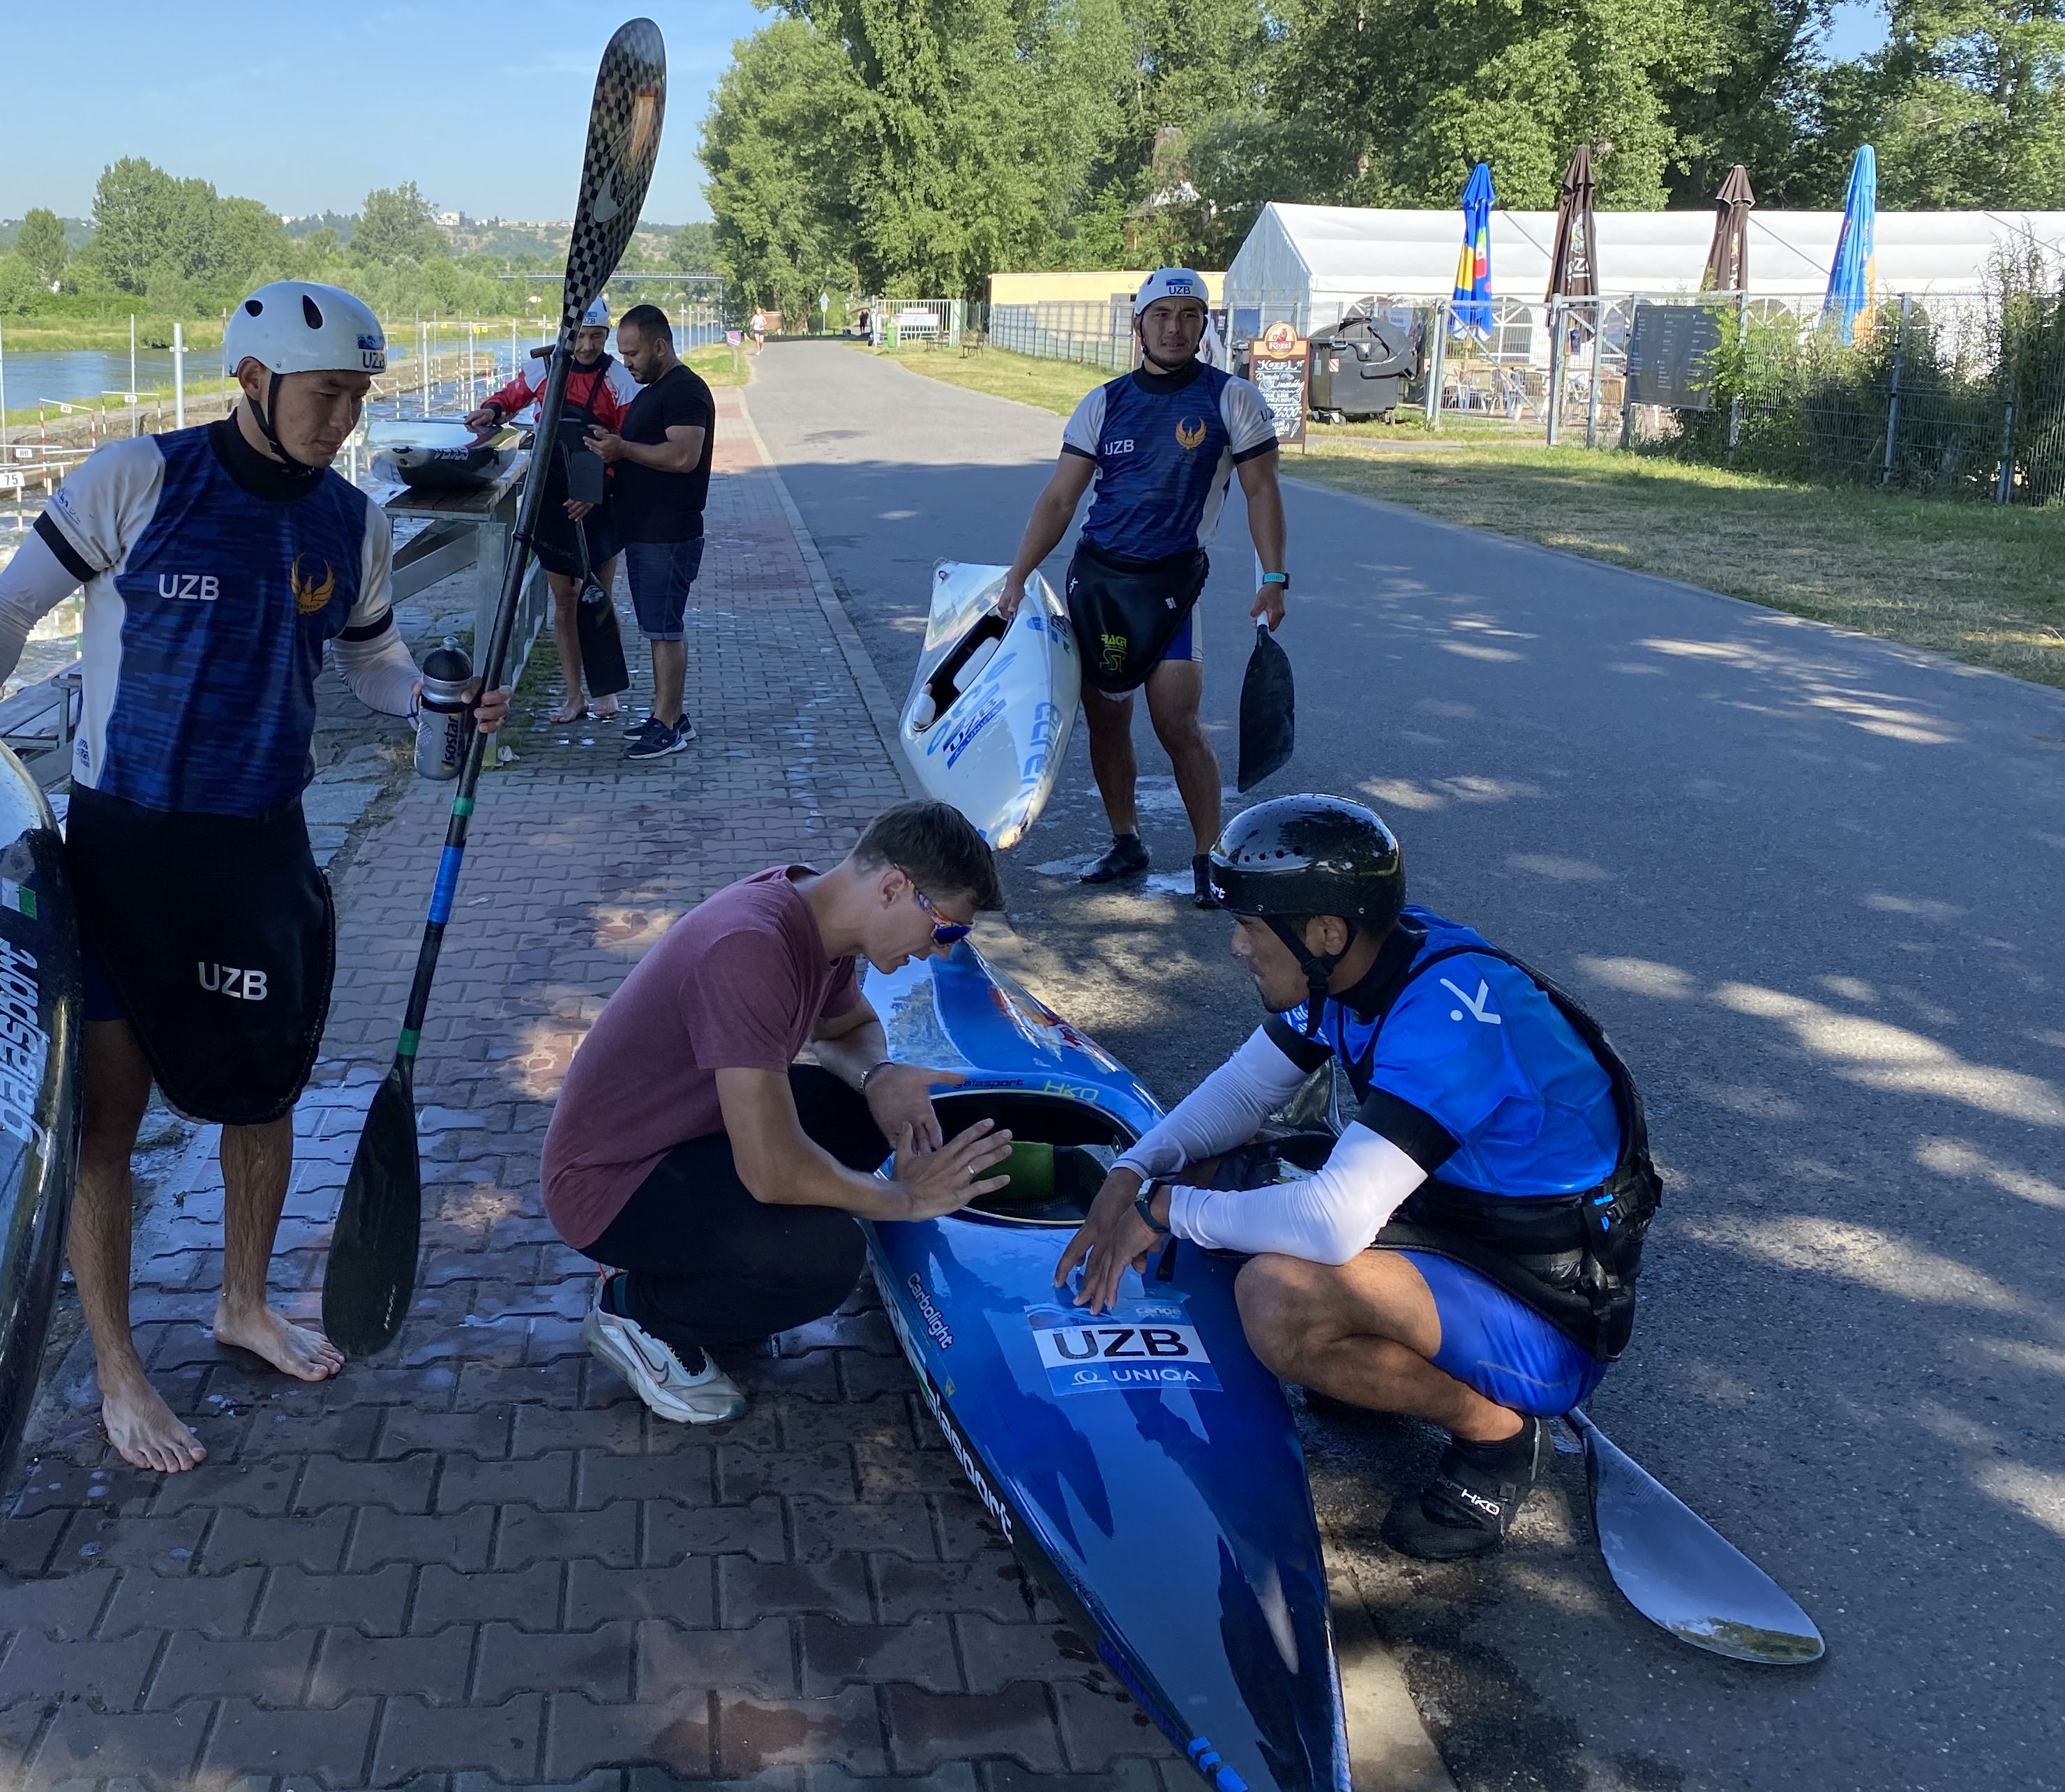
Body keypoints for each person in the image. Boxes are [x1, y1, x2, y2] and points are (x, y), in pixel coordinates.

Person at [0, 278, 506, 1474]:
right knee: (107, 1120)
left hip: (259, 847)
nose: (344, 418)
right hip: (124, 847)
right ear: (253, 380)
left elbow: (371, 661)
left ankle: (243, 1303)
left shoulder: (350, 521)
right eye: (326, 394)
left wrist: (433, 703)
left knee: (262, 1097)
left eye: (358, 396)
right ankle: (118, 1365)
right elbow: (8, 609)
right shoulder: (139, 479)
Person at [1056, 796, 1658, 1558]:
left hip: (1544, 1312)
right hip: (1455, 1231)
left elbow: (1334, 1223)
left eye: (1249, 927)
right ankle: (1376, 1362)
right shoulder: (1364, 962)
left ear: (1325, 933)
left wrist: (1164, 1209)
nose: (1238, 946)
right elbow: (1243, 1092)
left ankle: (1498, 1435)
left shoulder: (1445, 1020)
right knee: (1215, 1166)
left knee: (1276, 1296)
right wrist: (1136, 1169)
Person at [543, 801, 1016, 1424]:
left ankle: (700, 1270)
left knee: (865, 1113)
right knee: (821, 1259)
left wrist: (880, 1078)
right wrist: (903, 1200)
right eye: (947, 931)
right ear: (893, 888)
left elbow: (845, 1028)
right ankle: (638, 1313)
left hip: (681, 1134)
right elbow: (772, 1171)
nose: (944, 952)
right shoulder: (750, 947)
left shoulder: (816, 916)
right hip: (609, 1184)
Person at [996, 266, 1291, 907]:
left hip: (1172, 584)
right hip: (1100, 581)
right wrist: (1018, 575)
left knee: (1177, 723)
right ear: (1139, 326)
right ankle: (1125, 840)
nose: (1174, 328)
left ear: (1205, 325)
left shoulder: (1232, 399)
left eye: (1189, 316)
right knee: (1106, 719)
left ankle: (1210, 859)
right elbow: (1060, 498)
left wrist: (1273, 577)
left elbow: (1261, 490)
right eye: (1161, 316)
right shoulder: (1103, 402)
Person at [467, 295, 628, 724]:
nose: (588, 346)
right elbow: (512, 396)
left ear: (607, 336)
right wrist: (490, 410)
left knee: (598, 596)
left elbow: (629, 444)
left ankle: (606, 689)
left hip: (599, 495)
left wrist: (597, 489)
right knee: (565, 598)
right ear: (568, 333)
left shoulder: (619, 379)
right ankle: (574, 695)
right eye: (581, 336)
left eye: (598, 337)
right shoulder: (545, 367)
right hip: (552, 493)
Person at [590, 302, 714, 760]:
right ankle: (671, 715)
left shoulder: (684, 391)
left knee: (665, 630)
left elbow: (683, 456)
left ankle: (667, 726)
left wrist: (622, 449)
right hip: (646, 531)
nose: (626, 363)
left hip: (669, 532)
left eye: (633, 353)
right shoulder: (656, 390)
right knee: (658, 627)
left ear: (660, 346)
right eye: (622, 354)